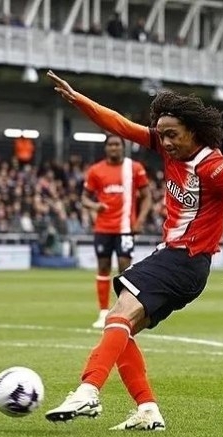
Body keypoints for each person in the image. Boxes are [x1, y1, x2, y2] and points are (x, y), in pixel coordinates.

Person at [44, 70, 223, 430]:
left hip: (183, 259)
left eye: (172, 135)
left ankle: (88, 390)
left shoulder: (215, 167)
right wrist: (80, 100)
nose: (164, 142)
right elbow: (121, 125)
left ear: (194, 132)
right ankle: (147, 411)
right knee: (122, 327)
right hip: (182, 263)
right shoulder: (170, 151)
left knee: (118, 316)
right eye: (161, 134)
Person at [82, 134, 152, 328]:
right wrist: (95, 206)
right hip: (103, 227)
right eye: (111, 145)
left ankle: (123, 311)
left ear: (123, 147)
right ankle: (103, 312)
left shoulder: (135, 169)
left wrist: (140, 220)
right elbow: (84, 198)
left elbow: (147, 197)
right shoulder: (96, 170)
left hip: (125, 228)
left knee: (125, 268)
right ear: (106, 148)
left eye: (117, 145)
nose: (114, 148)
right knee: (103, 267)